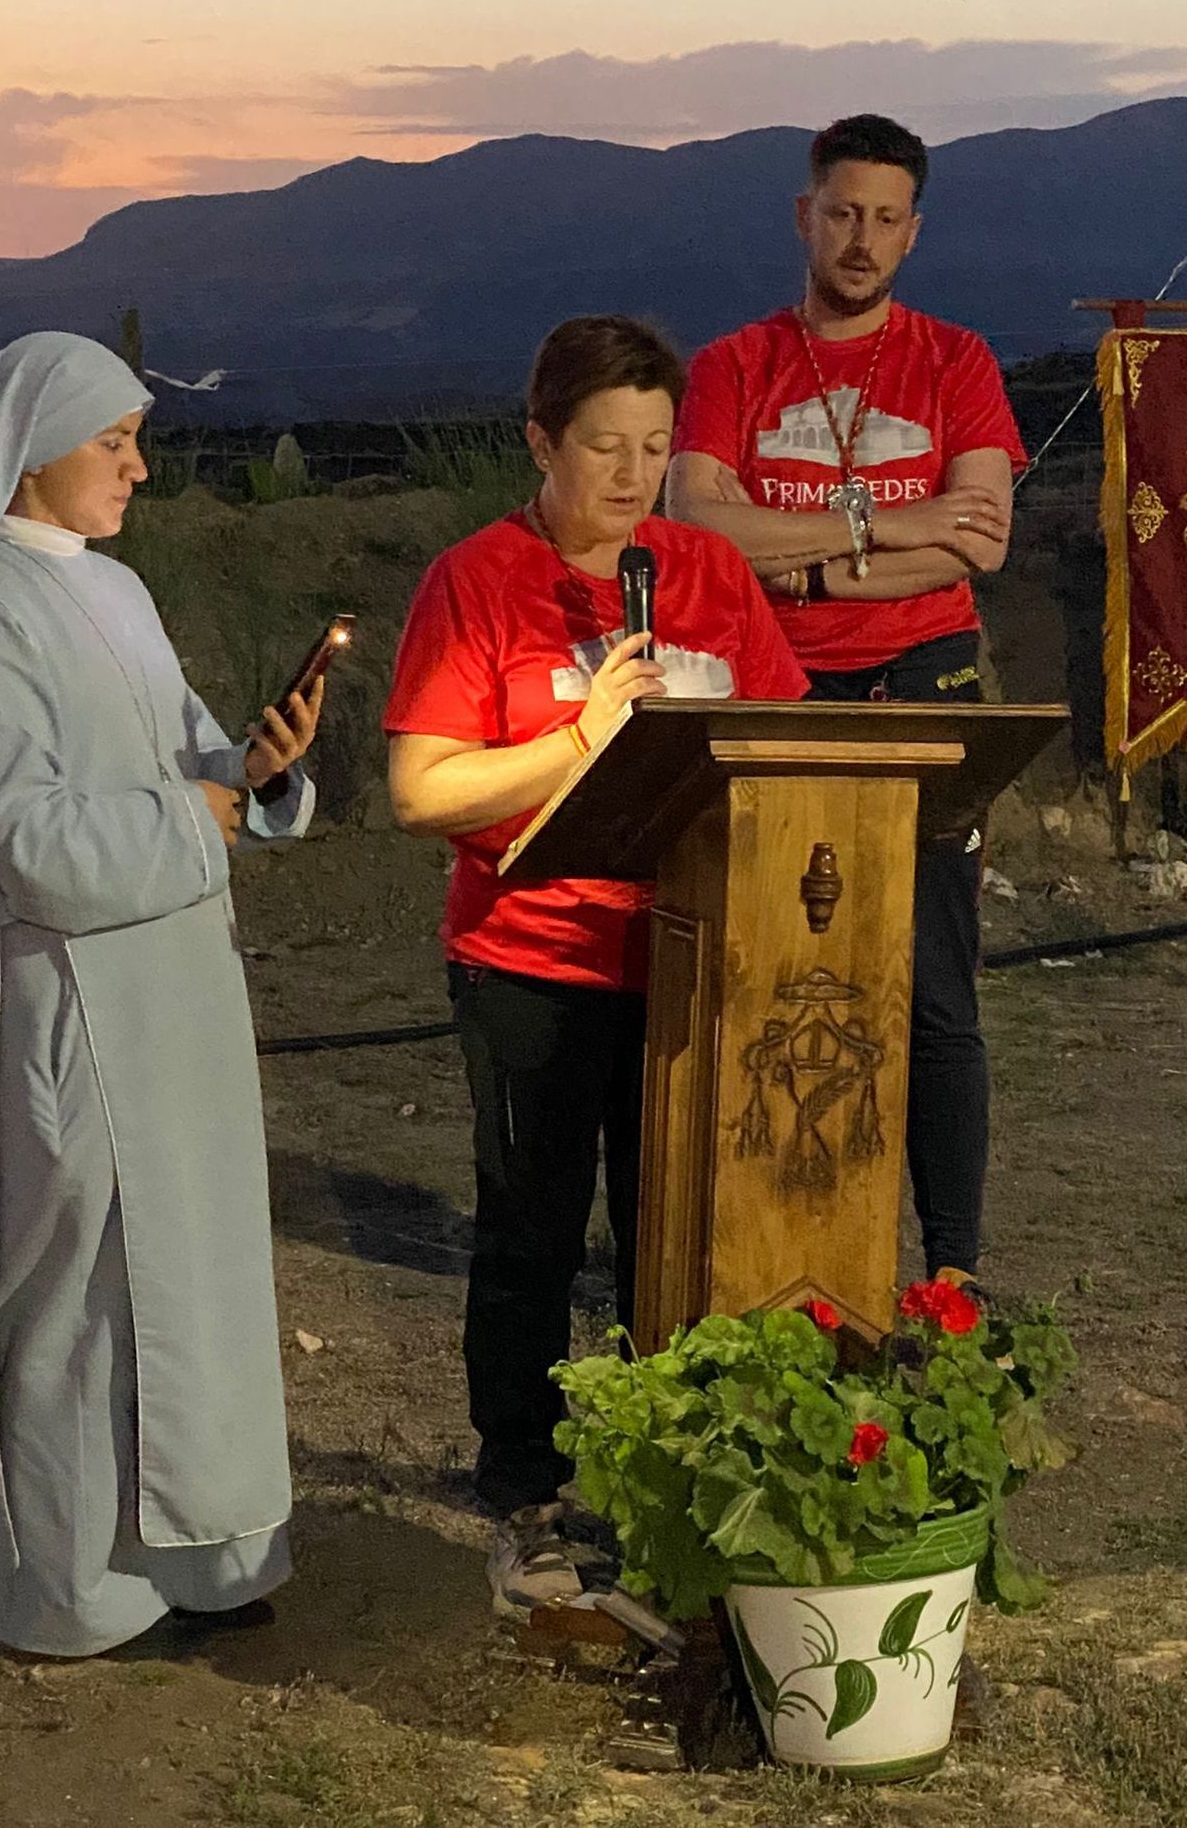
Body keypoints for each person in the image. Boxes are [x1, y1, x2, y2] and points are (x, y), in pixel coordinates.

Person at [0, 332, 323, 1658]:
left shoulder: (121, 595)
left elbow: (198, 762)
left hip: (180, 989)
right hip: (73, 1003)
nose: (138, 466)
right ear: (35, 453)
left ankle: (206, 1552)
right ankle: (81, 1584)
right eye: (113, 442)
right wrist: (199, 813)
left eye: (140, 439)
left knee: (196, 1274)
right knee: (81, 1298)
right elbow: (19, 834)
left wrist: (262, 769)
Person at [384, 315, 805, 1616]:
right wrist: (583, 739)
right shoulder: (476, 581)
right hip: (535, 963)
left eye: (655, 449)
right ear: (541, 442)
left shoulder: (707, 572)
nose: (631, 477)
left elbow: (786, 742)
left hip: (689, 964)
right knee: (533, 1228)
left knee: (672, 1233)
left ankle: (658, 1471)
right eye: (603, 448)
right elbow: (422, 790)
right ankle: (523, 1484)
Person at [665, 112, 1027, 1296]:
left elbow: (978, 540)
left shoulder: (955, 362)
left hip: (924, 684)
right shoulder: (732, 366)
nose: (860, 239)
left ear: (912, 233)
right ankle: (760, 1236)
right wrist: (882, 526)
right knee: (766, 964)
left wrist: (803, 561)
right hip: (775, 683)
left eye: (884, 219)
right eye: (841, 213)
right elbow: (700, 529)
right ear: (803, 216)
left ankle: (954, 1268)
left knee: (930, 981)